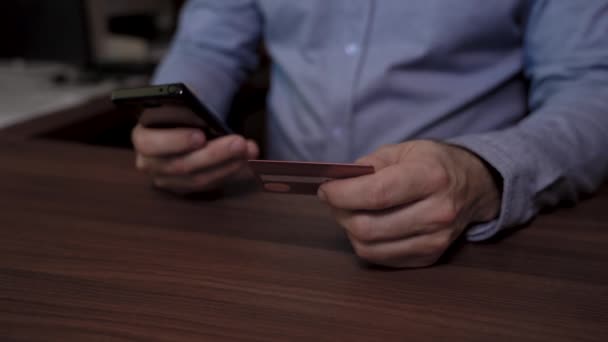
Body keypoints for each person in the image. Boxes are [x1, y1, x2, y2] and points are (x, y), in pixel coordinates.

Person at [131, 1, 608, 268]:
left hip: (464, 250)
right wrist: (178, 118)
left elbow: (592, 90)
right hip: (276, 236)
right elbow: (207, 45)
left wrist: (483, 171)